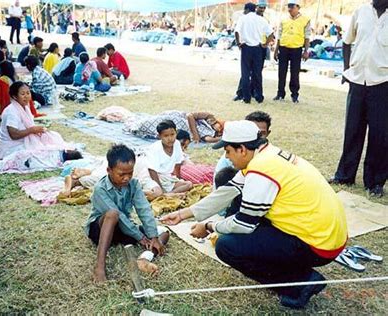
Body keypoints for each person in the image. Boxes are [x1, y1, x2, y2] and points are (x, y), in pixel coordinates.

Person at [161, 120, 347, 309]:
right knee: (239, 226)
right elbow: (227, 191)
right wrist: (184, 214)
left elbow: (244, 224)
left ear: (242, 149)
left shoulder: (261, 169)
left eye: (228, 151)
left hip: (319, 246)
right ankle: (297, 271)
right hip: (326, 236)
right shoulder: (265, 154)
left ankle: (300, 282)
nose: (227, 157)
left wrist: (209, 227)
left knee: (227, 246)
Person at [84, 144, 169, 283]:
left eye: (130, 173)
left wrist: (152, 237)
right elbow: (119, 216)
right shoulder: (100, 189)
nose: (126, 178)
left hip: (123, 230)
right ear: (109, 170)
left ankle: (143, 259)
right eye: (121, 174)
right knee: (112, 214)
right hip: (100, 230)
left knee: (163, 232)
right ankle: (99, 267)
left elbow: (144, 209)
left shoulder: (134, 184)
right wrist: (140, 236)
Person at [329, 0, 388, 198]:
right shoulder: (361, 12)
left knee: (380, 136)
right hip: (357, 81)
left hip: (383, 83)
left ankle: (375, 182)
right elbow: (347, 41)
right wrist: (346, 70)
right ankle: (345, 175)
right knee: (352, 130)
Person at [0, 81, 66, 158]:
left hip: (23, 142)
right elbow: (13, 135)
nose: (26, 96)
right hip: (12, 148)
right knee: (44, 155)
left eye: (28, 93)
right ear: (15, 96)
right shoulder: (11, 111)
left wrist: (37, 130)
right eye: (23, 94)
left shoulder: (25, 108)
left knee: (53, 138)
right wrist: (32, 130)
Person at [235, 3, 274, 104]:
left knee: (245, 73)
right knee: (257, 73)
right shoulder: (262, 20)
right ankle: (259, 96)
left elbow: (236, 32)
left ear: (247, 9)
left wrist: (238, 43)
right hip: (258, 48)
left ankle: (246, 97)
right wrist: (265, 44)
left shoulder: (243, 18)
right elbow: (271, 34)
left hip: (246, 47)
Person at [273, 0, 311, 103]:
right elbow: (279, 36)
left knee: (295, 73)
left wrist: (306, 51)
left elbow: (307, 37)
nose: (289, 9)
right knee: (281, 72)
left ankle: (294, 95)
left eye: (292, 6)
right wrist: (276, 50)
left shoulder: (305, 20)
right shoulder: (283, 20)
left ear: (298, 7)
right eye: (288, 6)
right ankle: (280, 93)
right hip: (284, 48)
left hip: (296, 49)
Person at [147, 120, 193, 196]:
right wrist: (160, 187)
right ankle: (166, 194)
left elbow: (177, 164)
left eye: (172, 134)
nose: (170, 138)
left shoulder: (177, 144)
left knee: (188, 184)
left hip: (166, 178)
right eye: (166, 136)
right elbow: (152, 171)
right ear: (159, 136)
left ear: (176, 133)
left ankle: (168, 195)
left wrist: (177, 179)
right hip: (153, 177)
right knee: (157, 193)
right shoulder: (154, 149)